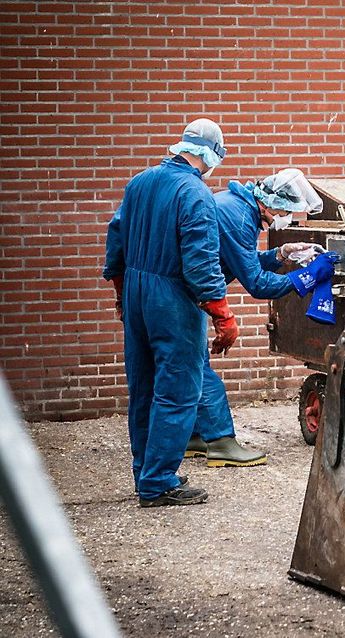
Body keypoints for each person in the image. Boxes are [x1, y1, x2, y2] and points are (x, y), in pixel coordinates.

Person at [103, 118, 237, 507]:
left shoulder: (139, 182)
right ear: (211, 155)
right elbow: (200, 263)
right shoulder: (195, 193)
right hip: (172, 298)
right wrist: (222, 315)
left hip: (136, 291)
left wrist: (121, 294)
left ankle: (145, 472)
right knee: (177, 390)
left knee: (143, 387)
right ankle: (159, 482)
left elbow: (116, 240)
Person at [186, 168, 336, 465]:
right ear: (271, 203)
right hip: (184, 295)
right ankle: (220, 442)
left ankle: (194, 436)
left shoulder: (237, 205)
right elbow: (257, 284)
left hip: (187, 292)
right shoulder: (240, 218)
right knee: (199, 370)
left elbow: (242, 259)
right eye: (287, 211)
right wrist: (306, 276)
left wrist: (282, 253)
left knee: (193, 367)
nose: (287, 218)